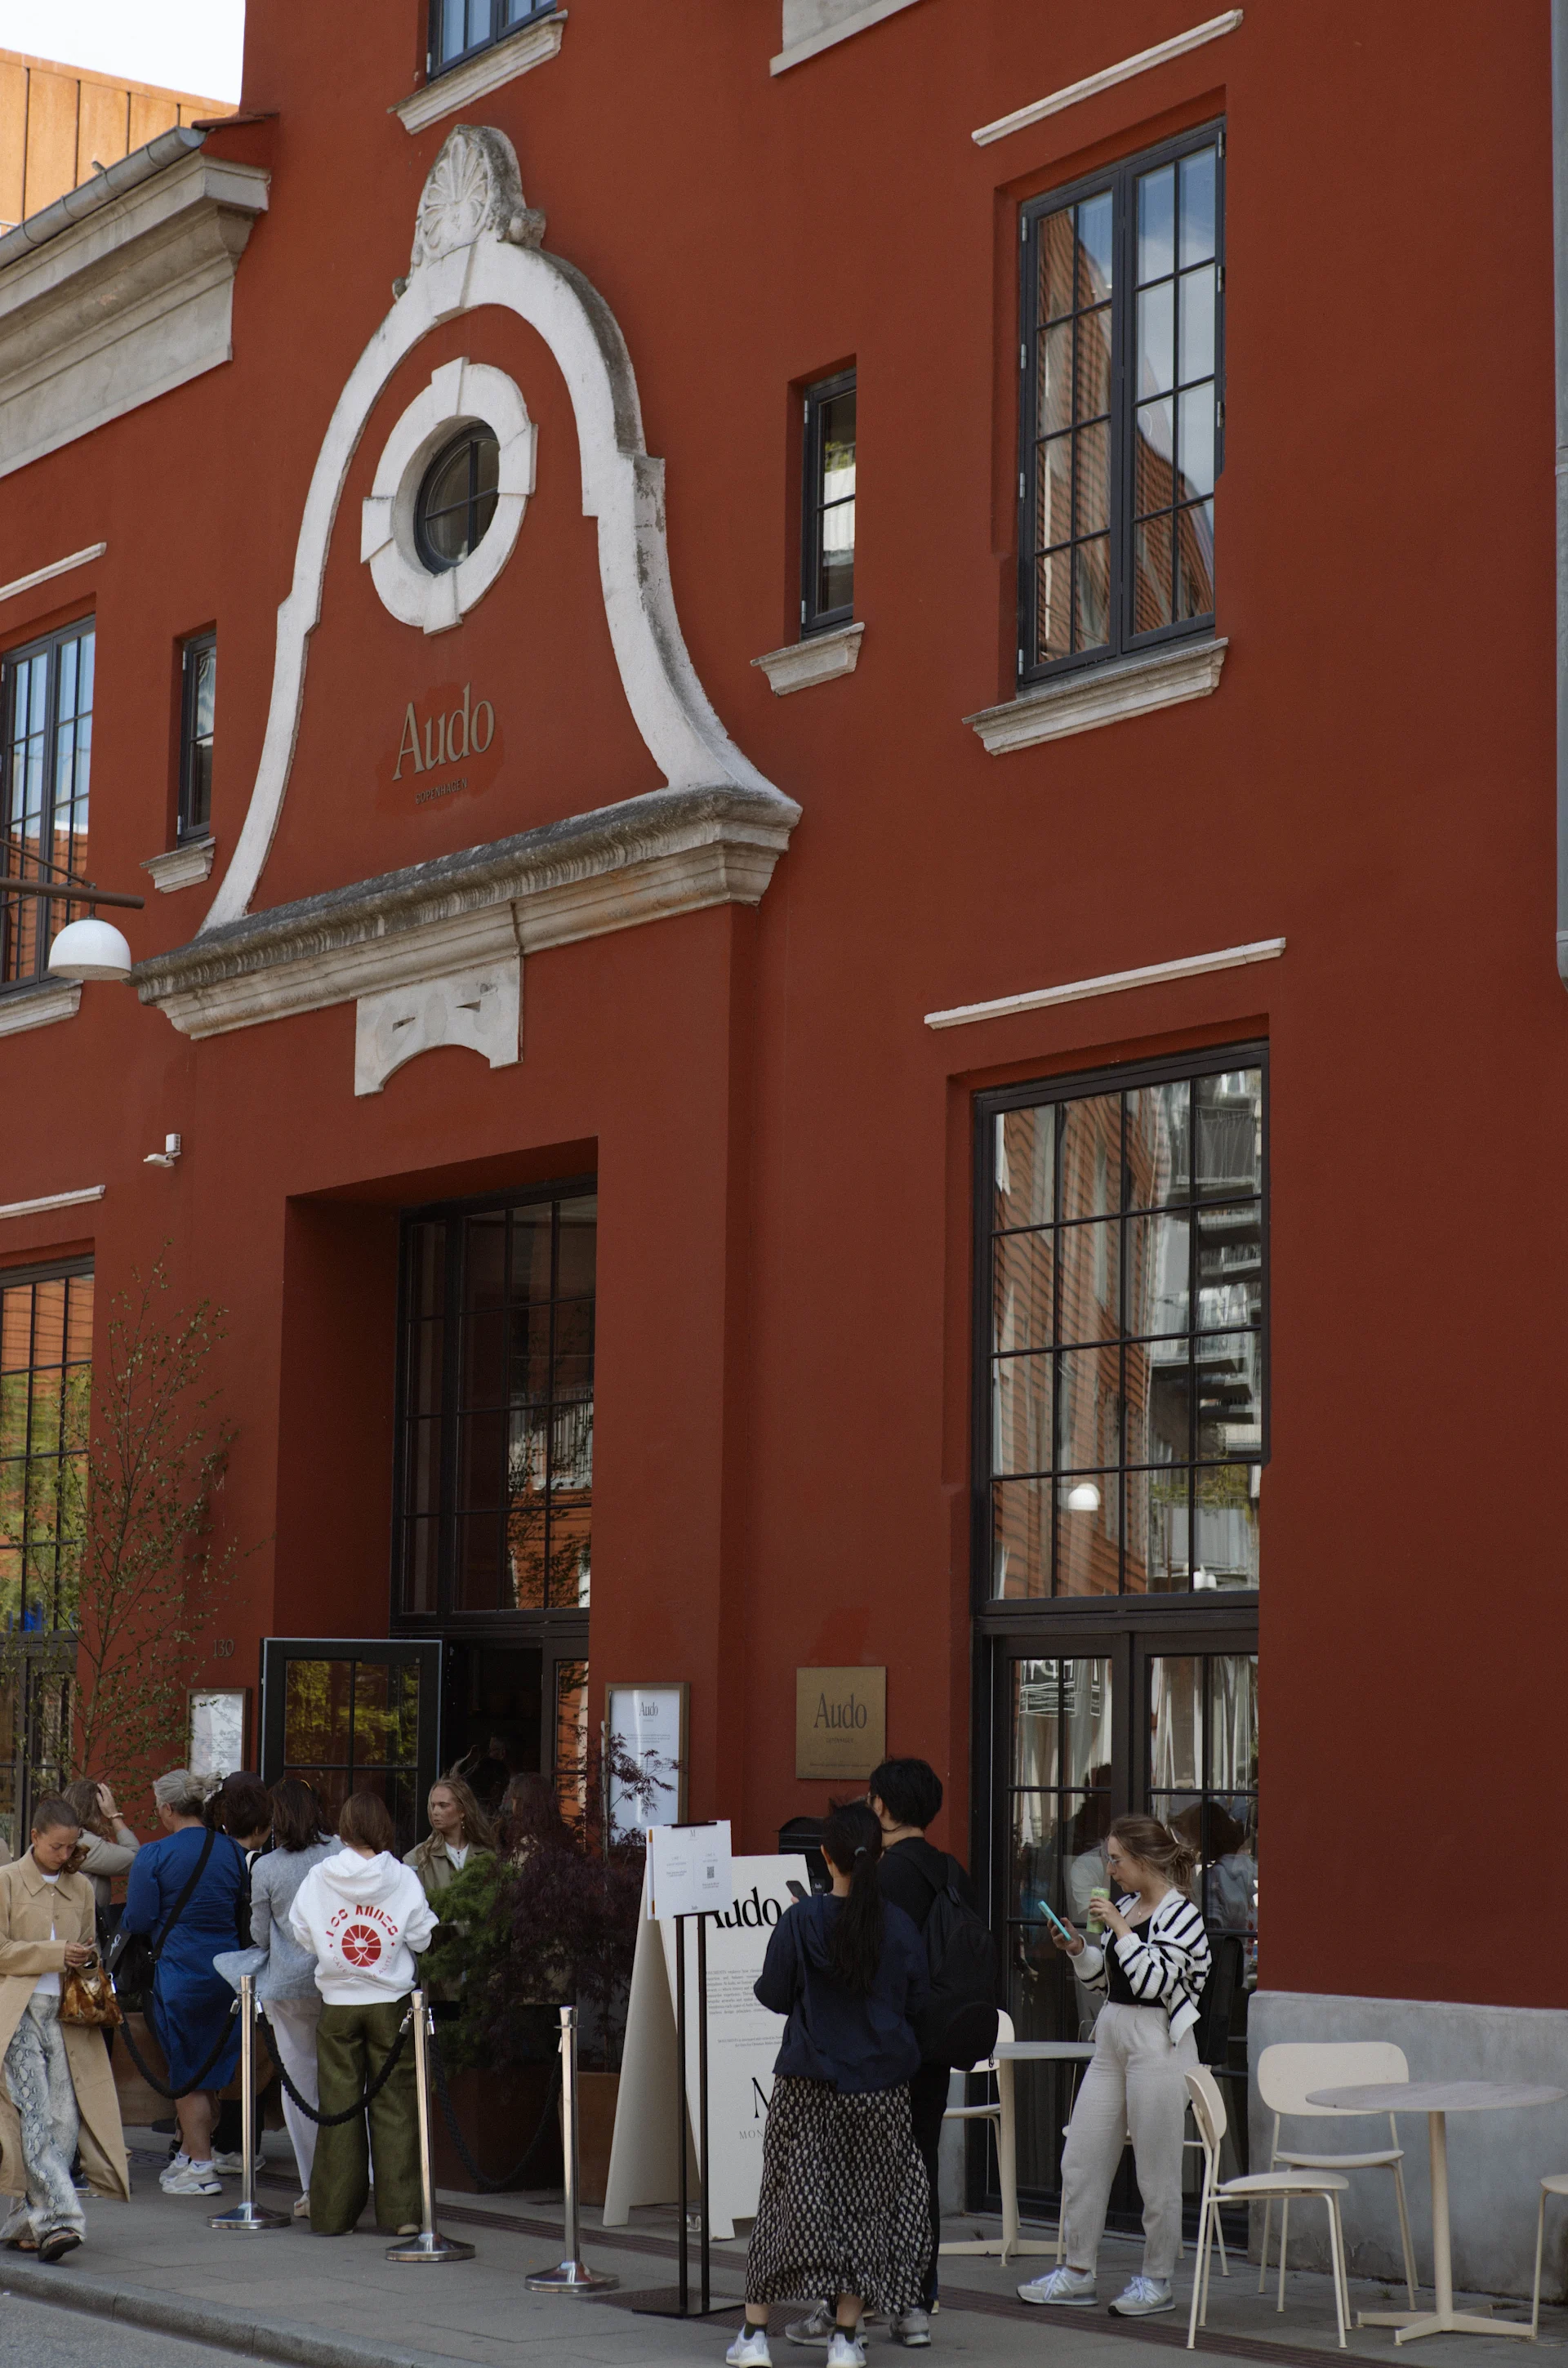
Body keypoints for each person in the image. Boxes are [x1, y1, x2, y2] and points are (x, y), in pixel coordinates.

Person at [728, 1802, 930, 2368]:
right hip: (882, 2084)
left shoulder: (802, 1920)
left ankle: (753, 2334)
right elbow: (917, 1999)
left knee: (784, 2203)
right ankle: (845, 2337)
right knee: (867, 2208)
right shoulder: (897, 1924)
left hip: (808, 2080)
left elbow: (772, 1993)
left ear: (825, 1856)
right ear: (880, 1856)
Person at [789, 1755, 972, 2348]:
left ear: (885, 1808)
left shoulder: (883, 1877)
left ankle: (848, 2307)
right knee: (916, 2173)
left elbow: (859, 1962)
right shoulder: (950, 1870)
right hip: (934, 2045)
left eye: (872, 1800)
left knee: (854, 2184)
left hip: (878, 2053)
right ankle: (916, 2299)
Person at [1017, 1814, 1210, 2320]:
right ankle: (1078, 2272)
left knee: (1157, 2172)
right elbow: (1110, 1979)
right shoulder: (1127, 1905)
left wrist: (1120, 1927)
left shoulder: (1182, 1916)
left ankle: (1157, 2278)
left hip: (1159, 2043)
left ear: (1144, 1861)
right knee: (1080, 2159)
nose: (1110, 1868)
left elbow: (1152, 1983)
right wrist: (1081, 1949)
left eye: (1117, 1859)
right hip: (1113, 2036)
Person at [288, 1790, 435, 2237]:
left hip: (337, 2003)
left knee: (338, 2108)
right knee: (396, 2108)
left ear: (345, 1828)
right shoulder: (403, 1876)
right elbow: (422, 1936)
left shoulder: (319, 1876)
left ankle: (333, 2215)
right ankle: (403, 2214)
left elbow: (302, 1933)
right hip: (391, 2004)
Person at [0, 1795, 130, 2260]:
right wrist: (56, 1954)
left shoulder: (80, 1890)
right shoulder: (7, 1882)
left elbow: (91, 1948)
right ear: (34, 1837)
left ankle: (24, 2220)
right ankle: (61, 2219)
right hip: (16, 2011)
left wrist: (87, 1959)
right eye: (57, 1846)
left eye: (71, 1846)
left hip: (69, 2014)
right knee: (33, 2114)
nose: (64, 1854)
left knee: (64, 2119)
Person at [122, 1769, 247, 2197]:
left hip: (179, 1971)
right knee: (210, 2071)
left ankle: (200, 2164)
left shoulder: (155, 1855)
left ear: (168, 1809)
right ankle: (196, 2152)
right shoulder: (231, 1850)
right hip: (228, 1972)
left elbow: (137, 1919)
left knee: (186, 2073)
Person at [246, 1777, 333, 2219]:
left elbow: (259, 1934)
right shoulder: (338, 1853)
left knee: (299, 2086)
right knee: (346, 2082)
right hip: (337, 1980)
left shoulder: (266, 1867)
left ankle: (312, 2184)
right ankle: (357, 2174)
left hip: (287, 1984)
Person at [59, 1780, 139, 1941]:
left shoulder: (65, 1837)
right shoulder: (84, 1842)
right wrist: (114, 1815)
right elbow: (136, 1859)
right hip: (84, 1937)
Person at [403, 1775, 495, 1902]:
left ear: (462, 1811)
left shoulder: (486, 1856)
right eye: (433, 1805)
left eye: (443, 1805)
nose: (435, 1811)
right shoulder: (418, 1858)